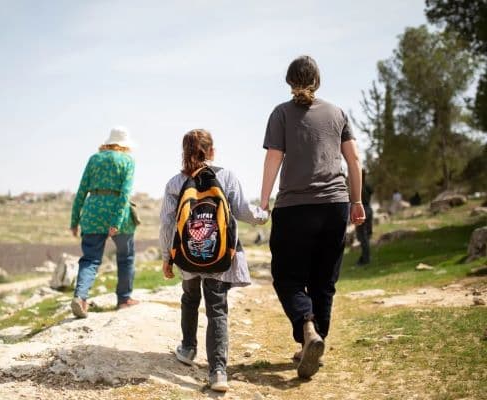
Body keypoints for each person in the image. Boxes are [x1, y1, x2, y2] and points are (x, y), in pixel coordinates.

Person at [260, 56, 365, 379]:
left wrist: (264, 201)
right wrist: (357, 201)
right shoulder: (337, 113)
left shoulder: (281, 113)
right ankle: (315, 340)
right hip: (334, 205)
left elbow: (273, 159)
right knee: (324, 281)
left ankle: (307, 328)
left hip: (294, 209)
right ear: (317, 81)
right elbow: (354, 160)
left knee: (287, 277)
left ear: (290, 82)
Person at [160, 129, 268, 392]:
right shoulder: (227, 177)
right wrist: (262, 215)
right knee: (217, 309)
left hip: (187, 258)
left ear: (184, 153)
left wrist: (167, 258)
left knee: (189, 298)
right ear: (212, 152)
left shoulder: (175, 183)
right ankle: (218, 371)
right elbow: (243, 211)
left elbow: (166, 225)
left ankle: (187, 349)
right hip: (220, 258)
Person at [69, 127, 139, 318]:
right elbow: (125, 193)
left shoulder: (94, 159)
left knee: (90, 259)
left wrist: (74, 220)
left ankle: (81, 298)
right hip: (119, 217)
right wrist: (115, 222)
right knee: (126, 257)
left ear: (108, 142)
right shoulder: (127, 160)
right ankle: (124, 299)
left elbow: (82, 190)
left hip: (92, 214)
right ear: (124, 145)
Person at [355, 169, 373, 265]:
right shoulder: (367, 186)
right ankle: (365, 256)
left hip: (363, 211)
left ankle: (365, 258)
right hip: (369, 210)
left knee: (362, 236)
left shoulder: (358, 187)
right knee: (366, 236)